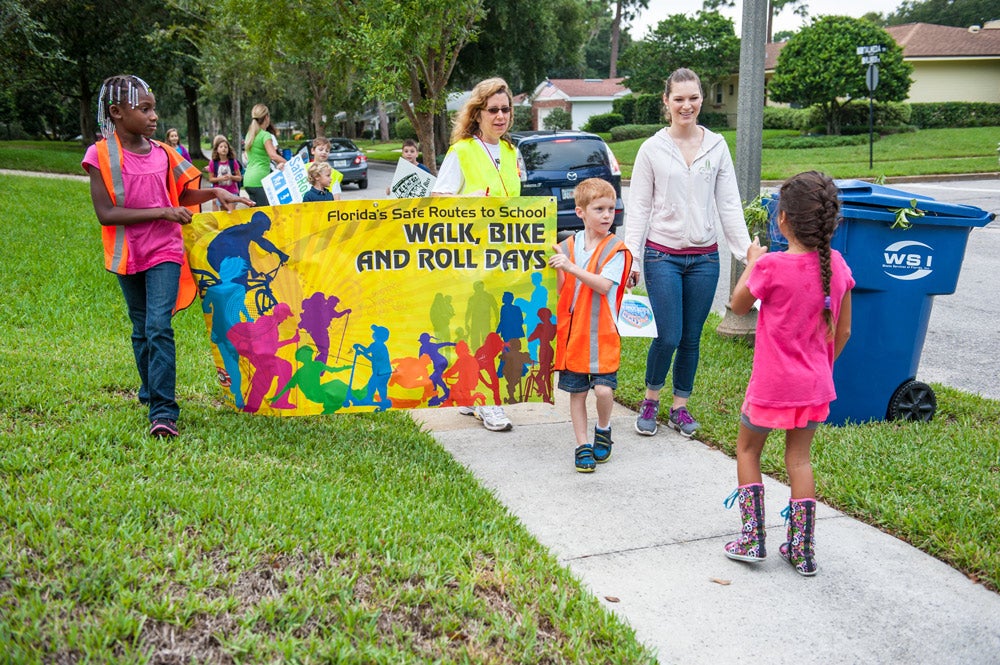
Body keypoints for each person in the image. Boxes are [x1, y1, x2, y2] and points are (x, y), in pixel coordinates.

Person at [82, 74, 252, 438]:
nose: (153, 116)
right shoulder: (99, 155)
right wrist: (162, 211)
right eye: (144, 109)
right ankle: (149, 390)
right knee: (141, 327)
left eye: (153, 108)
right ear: (116, 112)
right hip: (128, 253)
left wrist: (215, 196)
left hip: (165, 250)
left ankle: (163, 411)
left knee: (158, 325)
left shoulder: (163, 153)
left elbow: (182, 195)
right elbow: (106, 214)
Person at [723, 171, 854, 576]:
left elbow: (738, 305)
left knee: (748, 451)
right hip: (814, 385)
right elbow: (844, 330)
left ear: (782, 220)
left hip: (771, 386)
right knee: (799, 460)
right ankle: (802, 551)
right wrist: (820, 370)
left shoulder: (771, 267)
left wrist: (752, 263)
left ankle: (752, 539)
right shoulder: (836, 263)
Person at [623, 67, 751, 439]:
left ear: (701, 99)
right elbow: (640, 208)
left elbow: (729, 204)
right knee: (669, 334)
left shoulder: (716, 145)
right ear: (666, 102)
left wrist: (746, 253)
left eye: (693, 97)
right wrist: (630, 257)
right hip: (662, 255)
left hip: (705, 259)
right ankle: (650, 400)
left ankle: (680, 407)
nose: (687, 105)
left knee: (692, 337)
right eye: (678, 99)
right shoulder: (652, 148)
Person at [433, 77, 520, 432]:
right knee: (482, 328)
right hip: (471, 258)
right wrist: (472, 202)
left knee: (491, 328)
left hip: (505, 257)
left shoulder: (513, 153)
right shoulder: (463, 151)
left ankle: (471, 395)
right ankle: (488, 401)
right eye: (493, 110)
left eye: (505, 109)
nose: (500, 116)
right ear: (478, 113)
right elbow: (438, 199)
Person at [549, 178, 632, 473]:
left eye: (611, 208)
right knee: (577, 393)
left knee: (603, 392)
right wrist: (556, 268)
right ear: (581, 212)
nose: (607, 215)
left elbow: (602, 285)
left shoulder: (616, 250)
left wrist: (570, 267)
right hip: (574, 336)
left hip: (602, 336)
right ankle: (581, 445)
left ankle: (605, 427)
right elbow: (561, 290)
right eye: (599, 209)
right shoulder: (566, 247)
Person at [242, 103, 286, 207]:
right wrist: (287, 163)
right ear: (266, 117)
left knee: (256, 215)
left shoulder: (250, 134)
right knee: (265, 215)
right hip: (260, 180)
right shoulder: (265, 135)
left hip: (248, 180)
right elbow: (273, 156)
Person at [205, 134, 242, 211]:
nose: (223, 149)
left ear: (228, 149)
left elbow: (239, 178)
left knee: (231, 213)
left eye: (225, 147)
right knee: (224, 213)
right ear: (217, 149)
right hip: (220, 193)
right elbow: (211, 179)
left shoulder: (233, 162)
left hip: (232, 192)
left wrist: (231, 177)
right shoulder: (213, 163)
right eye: (221, 147)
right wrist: (220, 178)